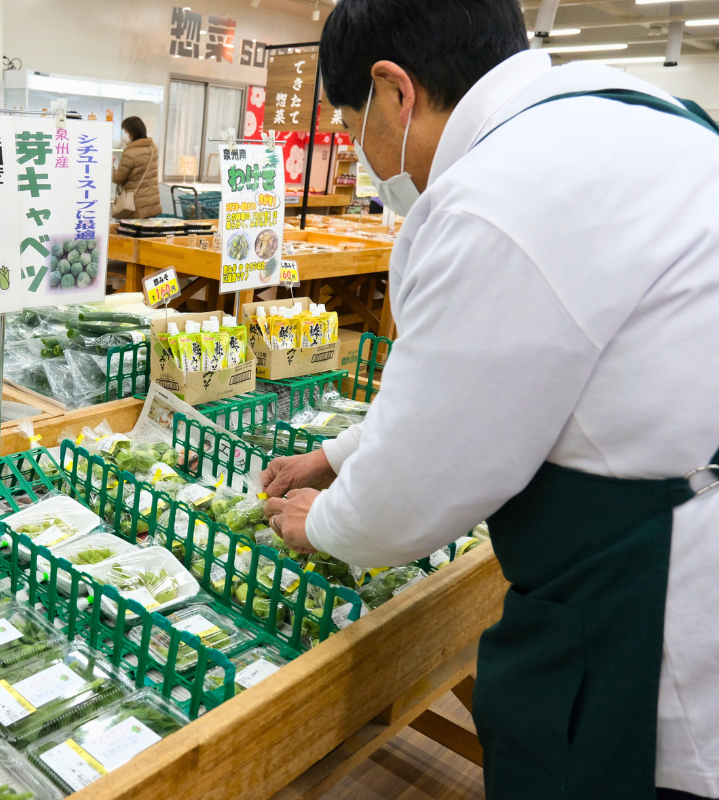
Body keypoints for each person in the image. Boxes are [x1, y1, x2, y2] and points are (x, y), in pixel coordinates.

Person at [260, 1, 719, 798]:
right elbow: (483, 384)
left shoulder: (497, 195)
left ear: (393, 91)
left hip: (647, 609)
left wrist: (326, 525)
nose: (357, 153)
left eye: (348, 126)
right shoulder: (623, 116)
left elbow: (421, 481)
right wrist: (333, 456)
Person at [112, 117, 161, 219]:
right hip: (151, 202)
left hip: (136, 204)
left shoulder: (130, 153)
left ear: (132, 132)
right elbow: (141, 161)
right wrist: (131, 144)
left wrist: (111, 166)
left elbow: (117, 179)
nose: (126, 134)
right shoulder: (153, 147)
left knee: (132, 233)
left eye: (127, 131)